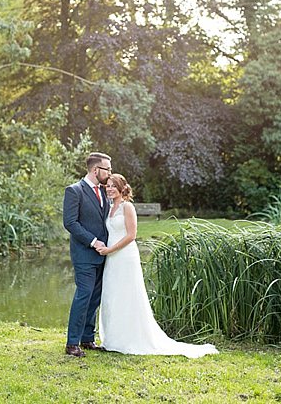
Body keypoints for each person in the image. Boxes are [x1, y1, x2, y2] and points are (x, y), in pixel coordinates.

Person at [97, 173, 218, 358]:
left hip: (124, 255)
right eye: (108, 185)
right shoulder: (110, 207)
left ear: (122, 188)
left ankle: (130, 339)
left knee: (128, 294)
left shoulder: (127, 207)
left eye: (113, 185)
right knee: (112, 294)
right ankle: (113, 338)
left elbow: (131, 235)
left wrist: (111, 249)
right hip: (111, 257)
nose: (110, 188)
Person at [63, 152, 113, 357]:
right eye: (107, 169)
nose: (110, 173)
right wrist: (93, 242)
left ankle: (87, 339)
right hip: (84, 254)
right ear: (95, 170)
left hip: (104, 255)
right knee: (83, 296)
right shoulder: (75, 191)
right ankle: (72, 343)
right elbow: (70, 223)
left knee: (95, 297)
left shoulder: (104, 192)